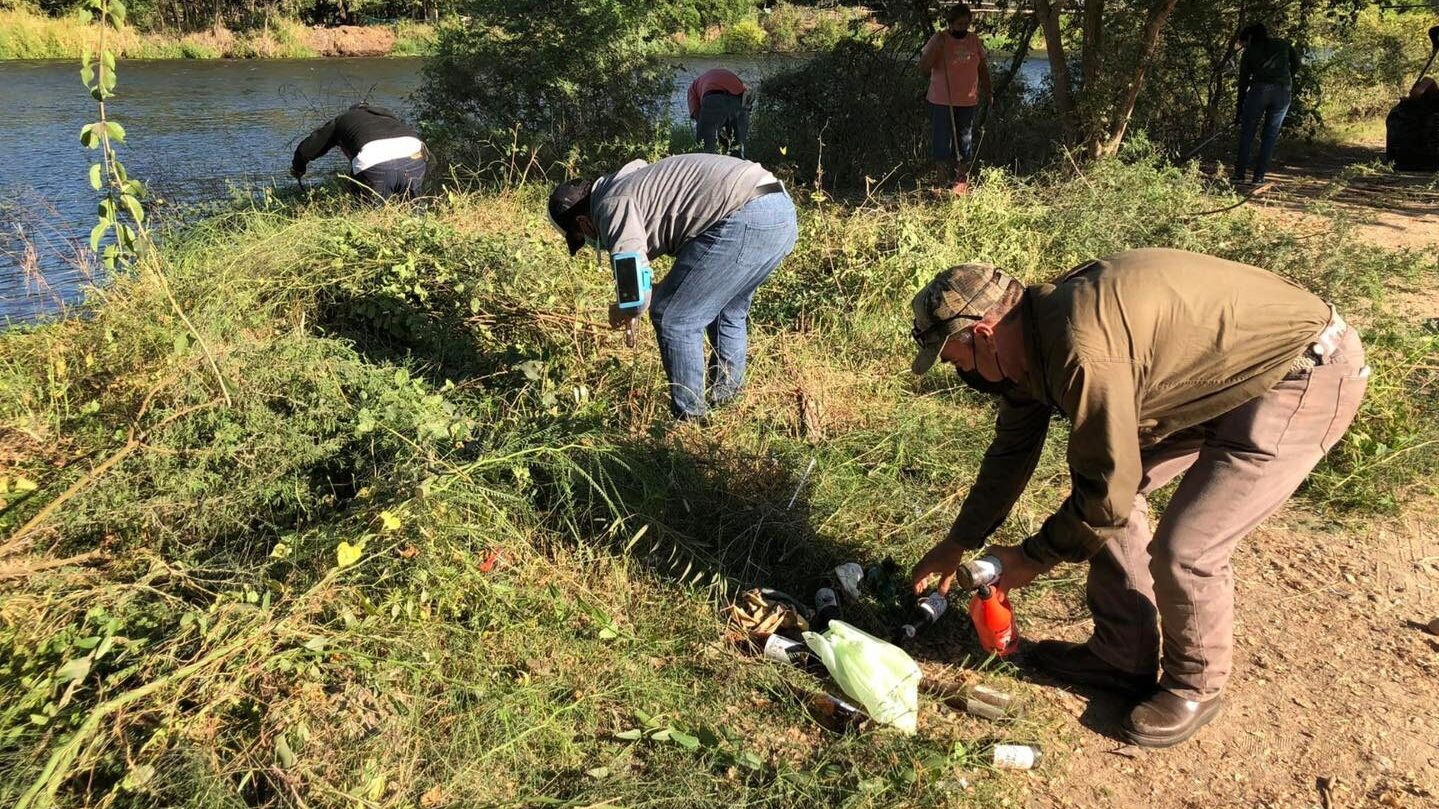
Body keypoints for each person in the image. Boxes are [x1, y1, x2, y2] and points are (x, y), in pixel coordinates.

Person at [907, 249, 1368, 748]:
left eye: (954, 361)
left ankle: (1196, 684)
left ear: (981, 335)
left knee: (1187, 550)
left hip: (1302, 371)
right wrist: (960, 541)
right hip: (1217, 375)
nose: (961, 376)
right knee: (1109, 501)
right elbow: (1013, 451)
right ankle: (1121, 656)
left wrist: (1031, 559)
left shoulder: (1081, 350)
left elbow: (1106, 494)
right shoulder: (1032, 333)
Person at [547, 154, 796, 421]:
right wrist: (634, 300)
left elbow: (634, 294)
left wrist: (625, 308)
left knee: (673, 316)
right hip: (778, 209)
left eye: (584, 238)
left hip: (744, 214)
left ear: (584, 223)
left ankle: (690, 425)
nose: (594, 243)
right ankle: (728, 409)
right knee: (727, 313)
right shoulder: (629, 185)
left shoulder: (611, 205)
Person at [919, 4, 992, 195]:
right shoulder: (939, 39)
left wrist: (988, 90)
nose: (963, 27)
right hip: (942, 99)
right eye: (959, 24)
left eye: (966, 24)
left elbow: (982, 68)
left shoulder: (974, 40)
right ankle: (941, 182)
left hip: (967, 100)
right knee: (942, 141)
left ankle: (960, 182)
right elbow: (924, 68)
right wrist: (936, 50)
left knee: (964, 141)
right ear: (950, 23)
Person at [291, 103, 427, 201]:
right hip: (414, 155)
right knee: (415, 210)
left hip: (373, 161)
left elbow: (308, 149)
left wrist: (298, 168)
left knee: (372, 217)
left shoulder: (342, 120)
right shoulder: (389, 117)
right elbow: (428, 156)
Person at [1232, 24, 1302, 185]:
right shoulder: (1283, 44)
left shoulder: (1250, 52)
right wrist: (1285, 78)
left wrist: (1239, 111)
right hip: (1283, 92)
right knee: (1270, 136)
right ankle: (1259, 177)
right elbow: (1297, 64)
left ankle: (1239, 174)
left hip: (1258, 92)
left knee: (1247, 133)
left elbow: (1243, 83)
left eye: (1244, 41)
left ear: (1250, 38)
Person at [687, 68, 751, 157]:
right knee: (739, 145)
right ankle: (741, 166)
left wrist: (710, 130)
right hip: (739, 97)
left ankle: (707, 168)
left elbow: (696, 114)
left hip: (713, 97)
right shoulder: (712, 76)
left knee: (705, 146)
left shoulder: (692, 88)